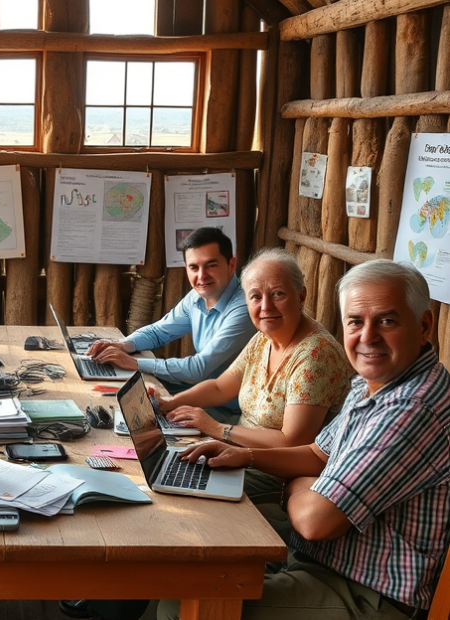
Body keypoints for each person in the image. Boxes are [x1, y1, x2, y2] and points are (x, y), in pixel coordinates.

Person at [160, 259, 450, 619]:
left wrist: (292, 486)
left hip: (362, 590)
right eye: (356, 322)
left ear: (424, 326)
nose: (368, 337)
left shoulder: (411, 408)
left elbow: (317, 520)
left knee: (179, 603)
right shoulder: (375, 383)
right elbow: (317, 453)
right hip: (324, 558)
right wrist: (244, 455)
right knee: (190, 548)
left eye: (387, 321)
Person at [160, 248, 351, 452]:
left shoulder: (316, 355)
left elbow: (293, 442)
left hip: (273, 469)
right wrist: (170, 403)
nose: (266, 306)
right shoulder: (263, 339)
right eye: (255, 297)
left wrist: (215, 428)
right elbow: (220, 388)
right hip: (239, 450)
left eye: (278, 294)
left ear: (301, 296)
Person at [88, 227, 255, 417]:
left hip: (230, 413)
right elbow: (158, 332)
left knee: (128, 413)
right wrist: (123, 344)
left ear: (231, 265)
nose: (202, 276)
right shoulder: (197, 297)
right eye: (194, 267)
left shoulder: (244, 308)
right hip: (195, 396)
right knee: (108, 401)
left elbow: (198, 369)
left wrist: (134, 363)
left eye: (211, 265)